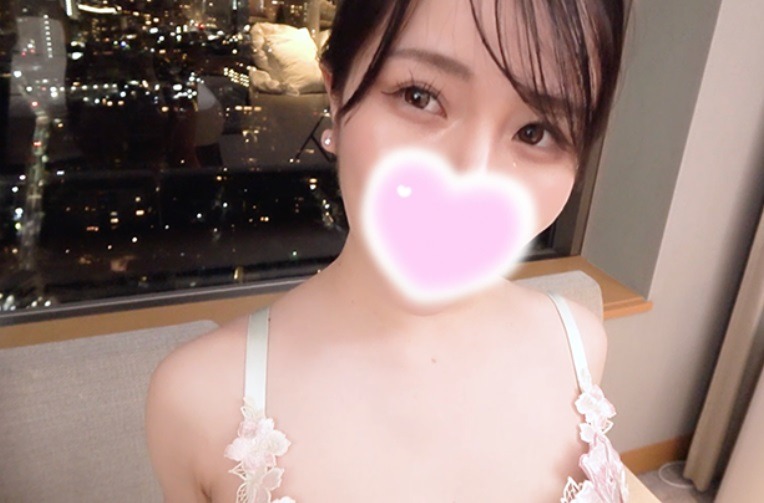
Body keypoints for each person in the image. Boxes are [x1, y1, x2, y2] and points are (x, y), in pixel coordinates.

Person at [146, 0, 627, 501]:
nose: (471, 180)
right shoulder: (198, 402)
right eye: (420, 97)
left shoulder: (579, 345)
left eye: (536, 132)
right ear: (336, 96)